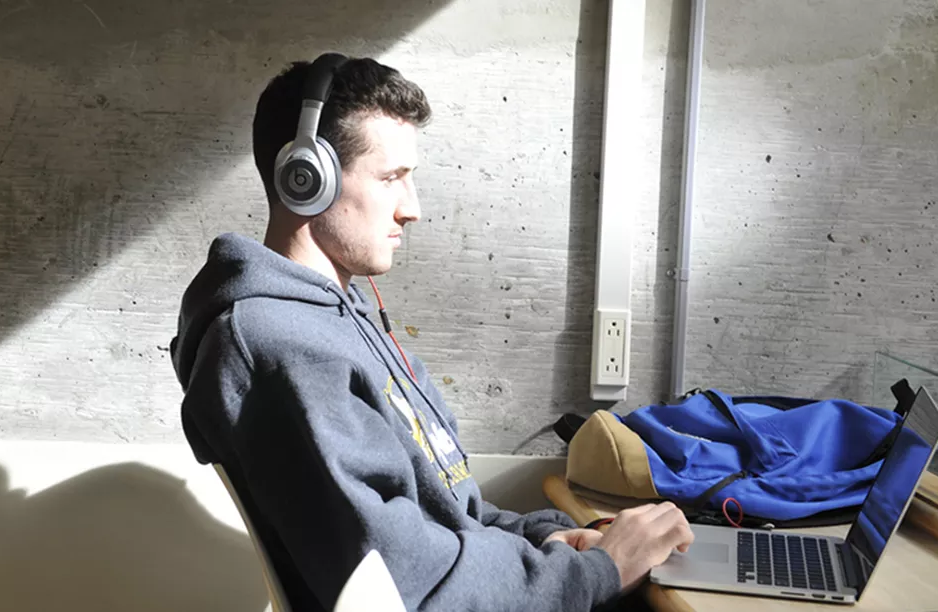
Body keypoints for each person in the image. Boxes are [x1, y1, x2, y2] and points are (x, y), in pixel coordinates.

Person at [170, 52, 694, 612]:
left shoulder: (334, 319)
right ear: (306, 179)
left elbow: (446, 510)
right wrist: (599, 571)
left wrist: (545, 540)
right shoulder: (283, 347)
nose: (412, 209)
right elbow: (408, 584)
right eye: (391, 178)